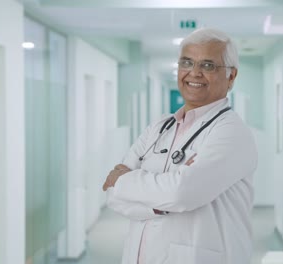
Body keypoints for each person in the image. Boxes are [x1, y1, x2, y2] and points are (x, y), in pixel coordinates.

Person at [102, 27, 258, 264]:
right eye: (186, 63)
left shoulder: (231, 132)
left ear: (231, 76)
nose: (194, 73)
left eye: (208, 65)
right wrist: (163, 199)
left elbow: (182, 193)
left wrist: (125, 180)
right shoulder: (159, 127)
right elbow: (113, 196)